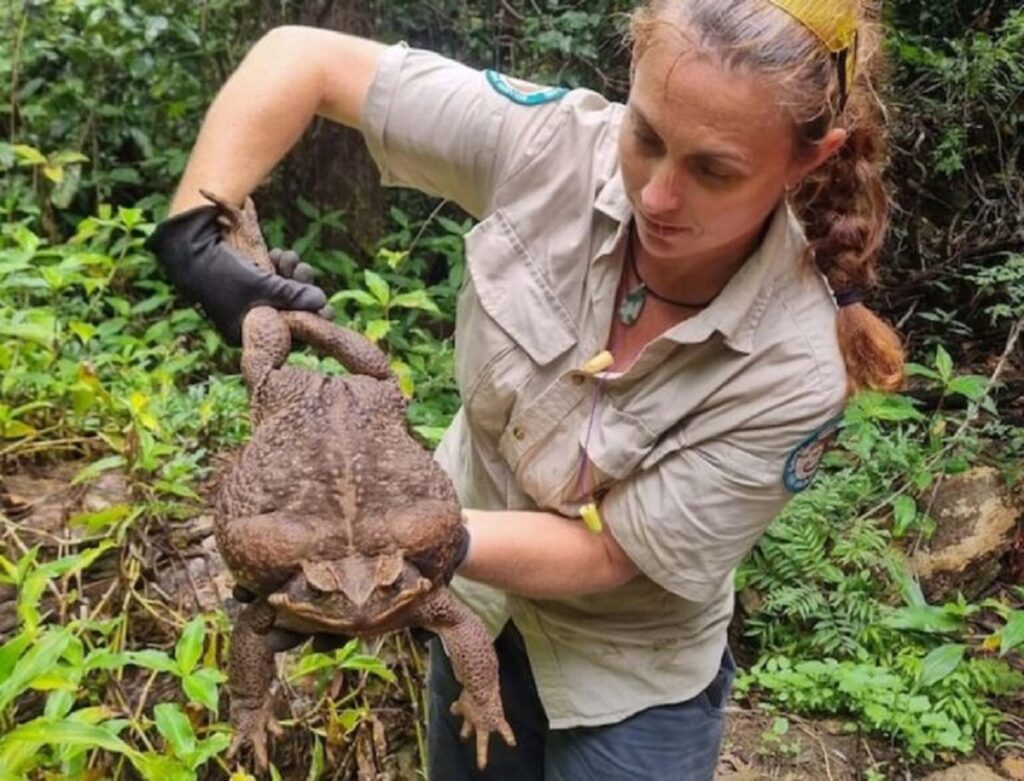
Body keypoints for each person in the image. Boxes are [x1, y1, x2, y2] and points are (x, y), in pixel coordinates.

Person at [147, 0, 905, 778]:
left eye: (714, 169)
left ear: (808, 160)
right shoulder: (554, 147)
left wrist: (403, 542)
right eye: (645, 136)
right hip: (473, 613)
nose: (657, 195)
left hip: (627, 676)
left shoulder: (797, 366)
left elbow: (612, 551)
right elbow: (300, 59)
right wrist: (196, 244)